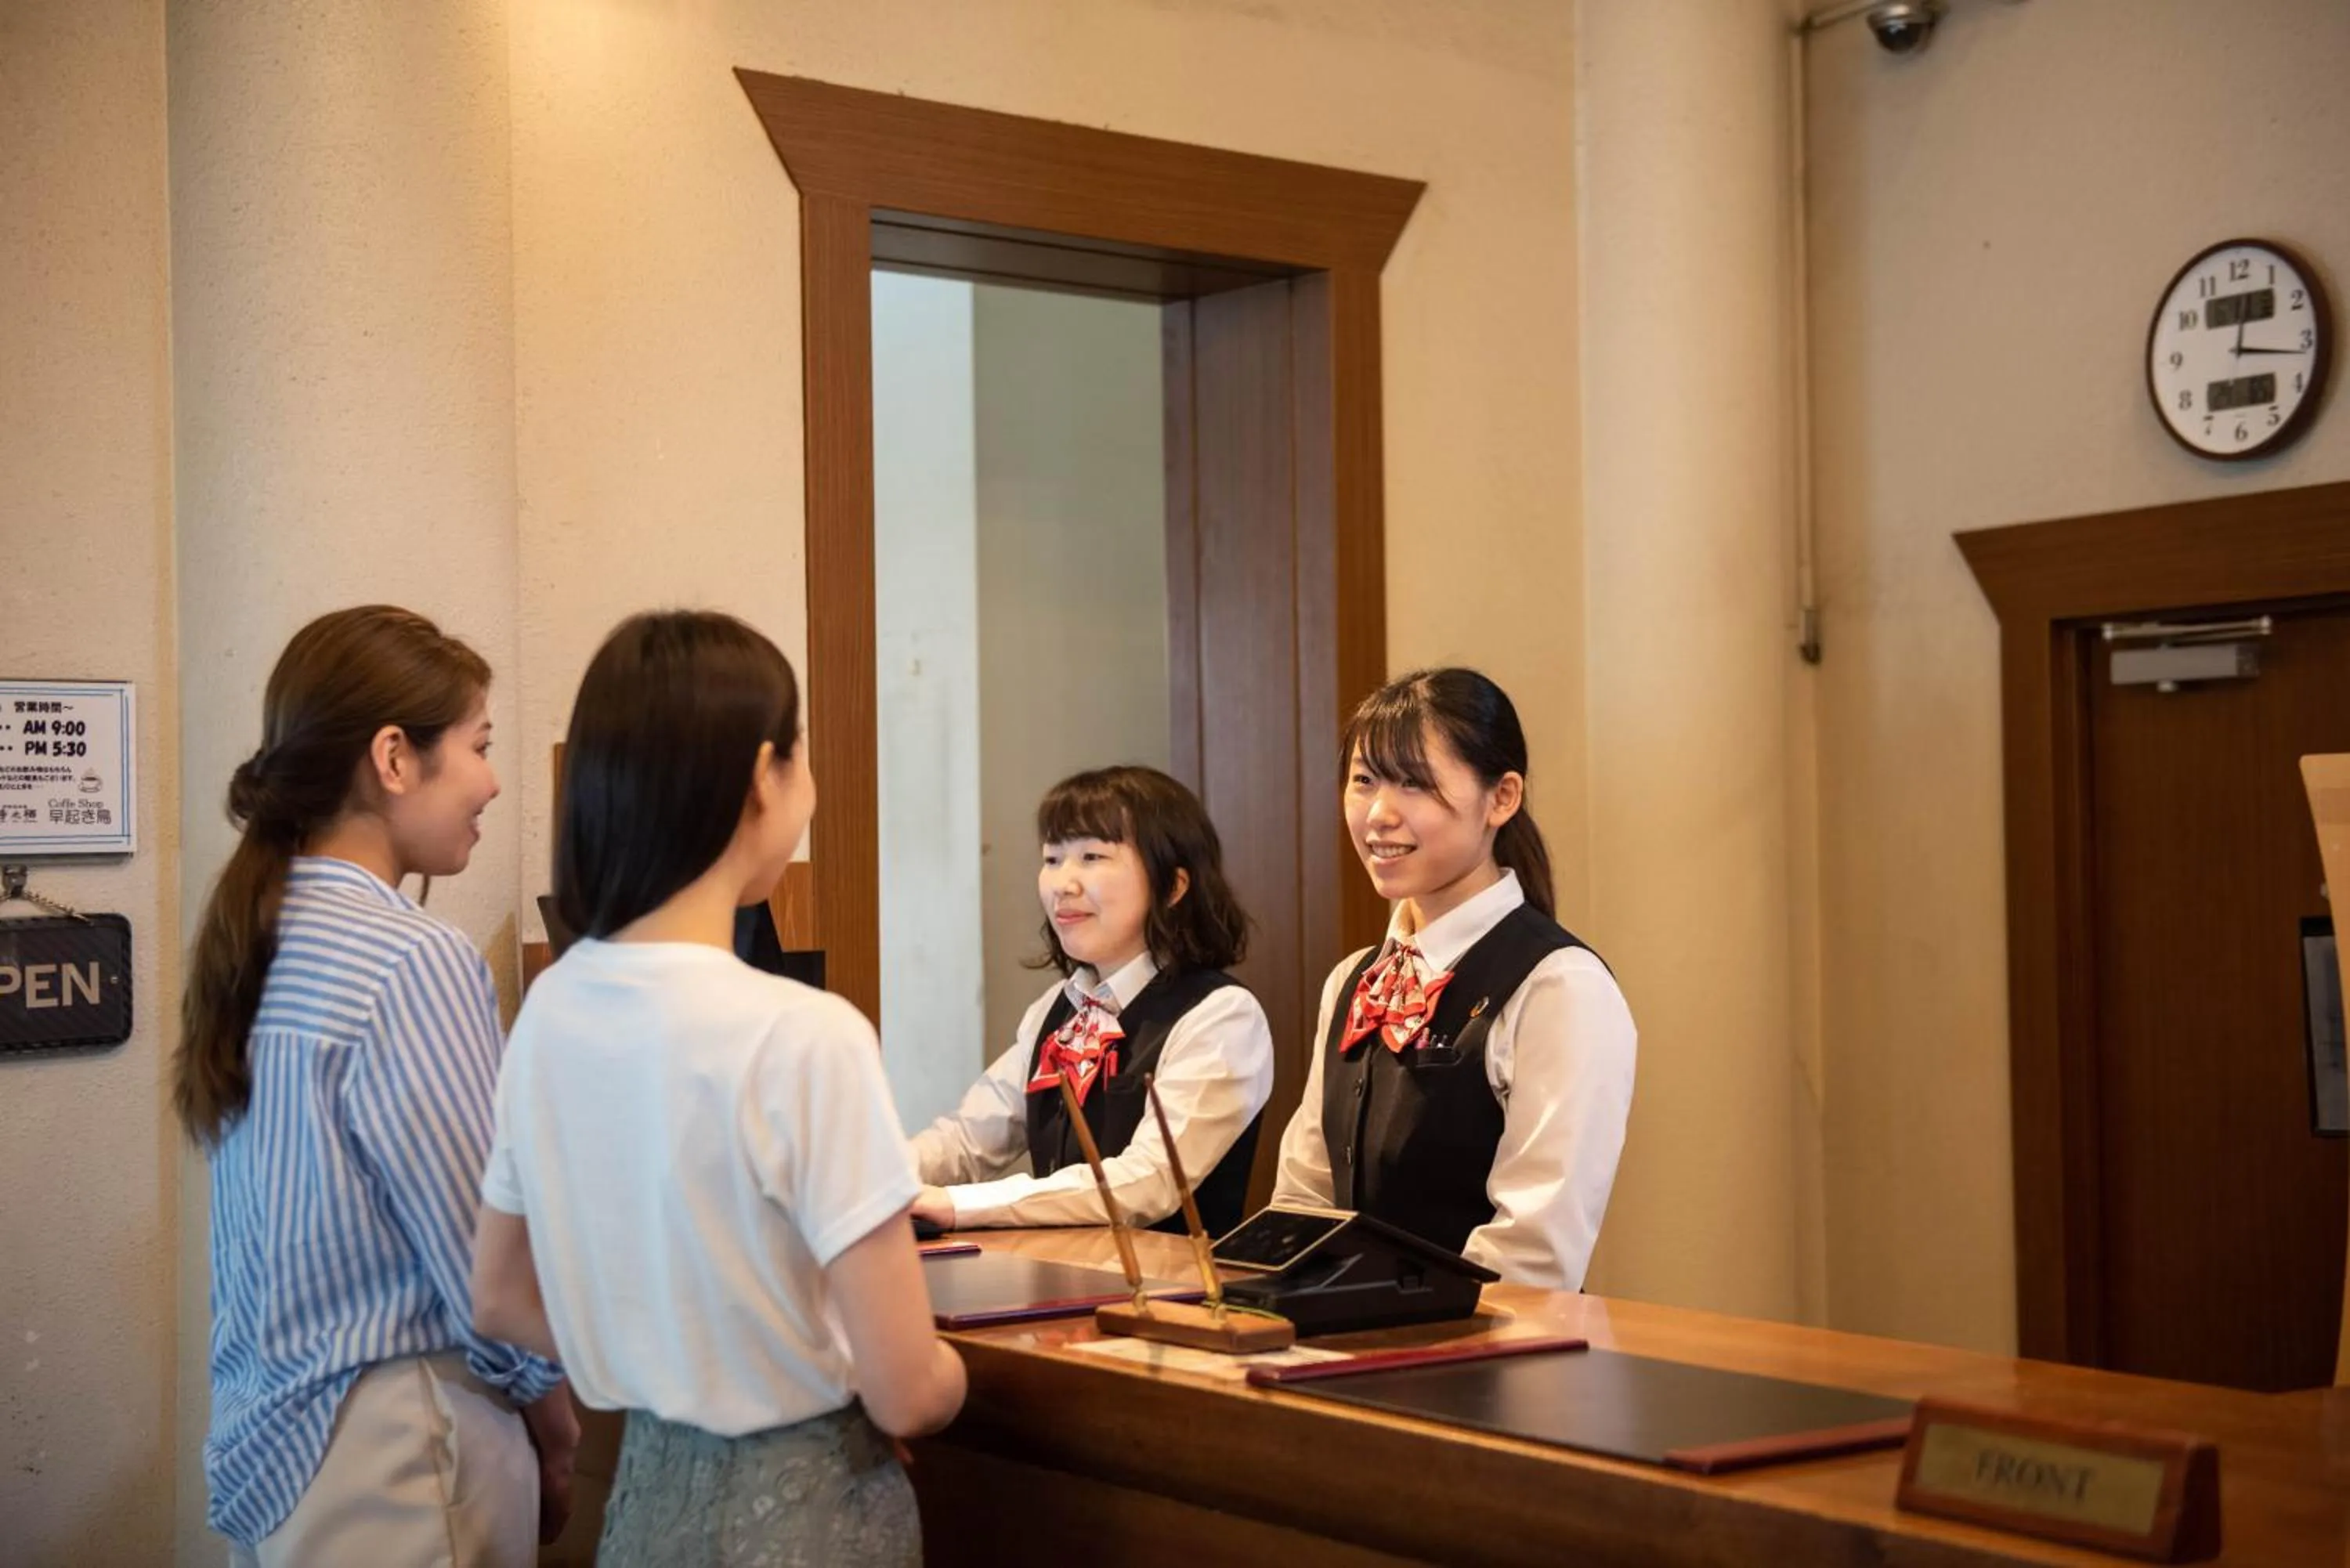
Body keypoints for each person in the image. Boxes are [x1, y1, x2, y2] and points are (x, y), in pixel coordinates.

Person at [471, 609, 964, 1566]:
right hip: (811, 1509)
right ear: (759, 779)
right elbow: (906, 1389)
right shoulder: (806, 1033)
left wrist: (663, 1343)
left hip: (647, 1506)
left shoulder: (554, 1009)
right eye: (803, 754)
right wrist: (944, 1377)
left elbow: (499, 1297)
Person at [176, 605, 573, 1566]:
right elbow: (483, 1259)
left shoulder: (259, 937)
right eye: (478, 745)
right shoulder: (410, 958)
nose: (491, 781)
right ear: (393, 758)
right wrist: (558, 1428)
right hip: (404, 1446)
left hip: (281, 1446)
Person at [1271, 668, 1636, 1290]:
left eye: (1414, 783)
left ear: (1502, 798)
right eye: (1364, 781)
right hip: (1336, 1349)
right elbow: (1304, 1195)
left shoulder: (1559, 986)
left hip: (1482, 1364)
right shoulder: (1350, 981)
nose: (1378, 815)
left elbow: (1535, 1251)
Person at [908, 765, 1274, 1237]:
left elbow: (1149, 1182)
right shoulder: (1054, 1009)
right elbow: (968, 1138)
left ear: (1173, 886)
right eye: (1053, 858)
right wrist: (882, 1181)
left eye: (1092, 856)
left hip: (1173, 1296)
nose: (1063, 884)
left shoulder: (1221, 1015)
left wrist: (956, 1204)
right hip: (1060, 1284)